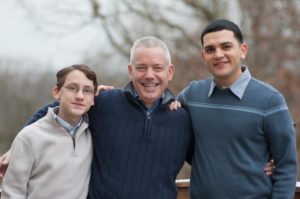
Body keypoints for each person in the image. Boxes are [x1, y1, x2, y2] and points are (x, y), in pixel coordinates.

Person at [1, 36, 194, 199]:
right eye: (141, 67)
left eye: (157, 68)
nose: (149, 75)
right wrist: (17, 146)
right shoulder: (104, 103)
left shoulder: (183, 118)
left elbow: (210, 157)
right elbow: (59, 108)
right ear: (130, 70)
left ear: (169, 72)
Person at [178, 19, 297, 198]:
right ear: (204, 56)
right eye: (210, 49)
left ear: (243, 50)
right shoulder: (192, 96)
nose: (218, 54)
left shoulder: (270, 100)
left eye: (226, 46)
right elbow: (166, 118)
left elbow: (286, 166)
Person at [1, 64, 98, 199]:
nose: (80, 96)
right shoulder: (29, 137)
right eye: (72, 88)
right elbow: (12, 193)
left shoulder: (94, 135)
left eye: (87, 91)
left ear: (94, 98)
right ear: (56, 92)